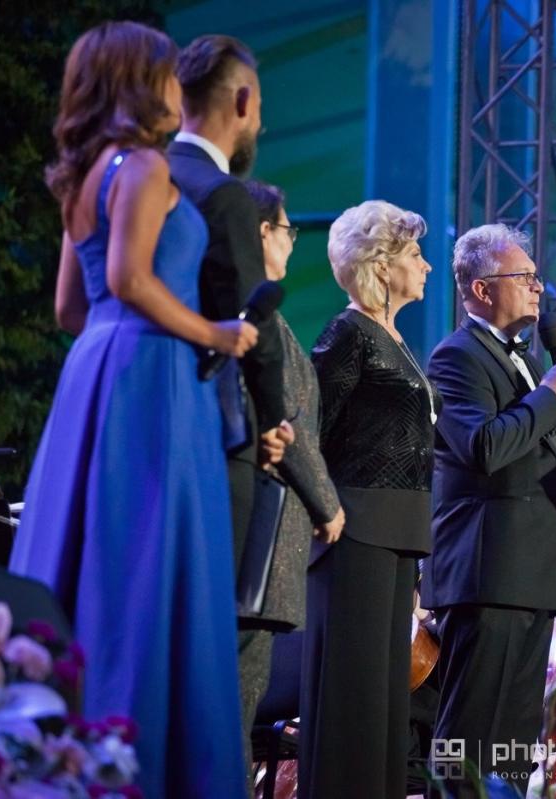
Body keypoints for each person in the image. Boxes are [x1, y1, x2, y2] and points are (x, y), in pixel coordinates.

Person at [8, 21, 254, 797]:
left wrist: (117, 341)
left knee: (95, 561)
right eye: (168, 73)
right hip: (154, 380)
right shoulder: (145, 165)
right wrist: (213, 333)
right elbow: (131, 278)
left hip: (96, 371)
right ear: (143, 82)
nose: (179, 88)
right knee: (148, 566)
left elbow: (71, 308)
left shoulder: (86, 176)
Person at [423, 224, 556, 795]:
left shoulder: (527, 361)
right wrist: (550, 395)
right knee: (468, 743)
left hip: (535, 578)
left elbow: (540, 446)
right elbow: (484, 447)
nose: (537, 287)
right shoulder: (456, 358)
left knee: (510, 750)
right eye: (523, 276)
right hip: (491, 576)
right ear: (482, 290)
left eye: (536, 276)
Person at [168, 35, 294, 773]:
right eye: (261, 108)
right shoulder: (223, 196)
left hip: (138, 408)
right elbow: (252, 325)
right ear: (242, 101)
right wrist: (273, 419)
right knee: (210, 626)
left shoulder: (140, 175)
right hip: (216, 433)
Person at [300, 200, 435, 798]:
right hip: (356, 534)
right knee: (354, 699)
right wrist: (325, 510)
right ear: (381, 266)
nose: (426, 266)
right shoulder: (349, 333)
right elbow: (308, 430)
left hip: (398, 534)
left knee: (385, 704)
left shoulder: (393, 338)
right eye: (415, 254)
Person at [239, 179, 345, 764]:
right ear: (262, 233)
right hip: (259, 532)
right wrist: (328, 504)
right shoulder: (252, 314)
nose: (292, 241)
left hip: (269, 531)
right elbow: (288, 420)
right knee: (236, 700)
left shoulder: (265, 314)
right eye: (287, 230)